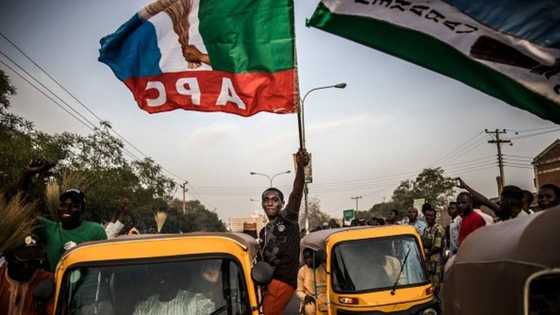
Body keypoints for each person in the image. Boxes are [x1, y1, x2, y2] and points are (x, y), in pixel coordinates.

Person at [259, 148, 309, 315]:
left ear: (282, 203)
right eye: (266, 200)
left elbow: (296, 193)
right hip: (266, 282)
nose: (270, 203)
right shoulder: (263, 232)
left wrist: (300, 168)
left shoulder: (288, 219)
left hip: (282, 282)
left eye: (274, 200)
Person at [0, 234, 53, 315]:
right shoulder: (1, 277)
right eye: (23, 257)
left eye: (34, 259)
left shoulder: (49, 281)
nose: (28, 266)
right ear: (9, 257)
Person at [421, 205, 445, 295]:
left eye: (431, 216)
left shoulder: (438, 229)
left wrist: (425, 254)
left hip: (436, 261)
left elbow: (437, 247)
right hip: (428, 261)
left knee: (436, 285)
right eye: (427, 215)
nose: (429, 218)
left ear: (435, 217)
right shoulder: (426, 229)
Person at [296, 249, 327, 315]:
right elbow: (299, 291)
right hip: (310, 299)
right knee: (310, 309)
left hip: (325, 299)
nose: (308, 260)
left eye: (310, 257)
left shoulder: (325, 267)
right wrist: (305, 297)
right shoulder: (302, 270)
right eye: (305, 258)